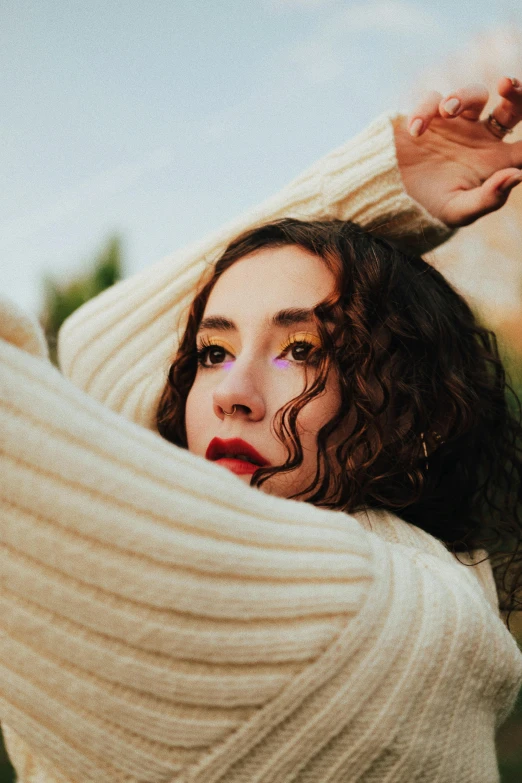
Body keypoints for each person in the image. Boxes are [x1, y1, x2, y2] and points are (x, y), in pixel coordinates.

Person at [1, 79, 522, 783]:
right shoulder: (432, 577)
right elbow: (96, 349)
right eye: (212, 353)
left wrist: (372, 196)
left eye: (302, 350)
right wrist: (384, 188)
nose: (232, 396)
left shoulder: (373, 613)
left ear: (418, 410)